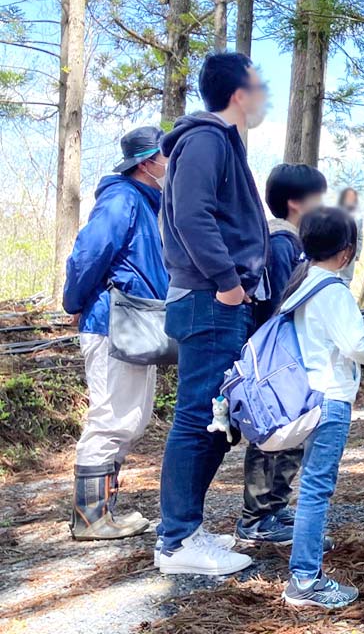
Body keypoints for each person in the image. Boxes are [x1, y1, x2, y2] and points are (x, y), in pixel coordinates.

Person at [156, 52, 270, 576]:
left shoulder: (219, 142)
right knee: (197, 418)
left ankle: (188, 529)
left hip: (217, 297)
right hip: (208, 297)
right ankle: (176, 543)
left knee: (215, 421)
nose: (265, 94)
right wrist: (227, 283)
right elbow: (190, 213)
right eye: (259, 84)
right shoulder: (205, 139)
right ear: (238, 92)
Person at [62, 126, 169, 541]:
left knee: (130, 416)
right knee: (111, 415)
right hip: (112, 323)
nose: (170, 164)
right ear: (146, 163)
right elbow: (87, 254)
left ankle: (102, 512)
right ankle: (90, 519)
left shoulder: (142, 202)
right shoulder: (122, 199)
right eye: (165, 156)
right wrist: (75, 303)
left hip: (132, 323)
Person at [280, 207, 364, 609]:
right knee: (316, 491)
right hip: (330, 398)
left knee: (309, 488)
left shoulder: (301, 282)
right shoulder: (334, 290)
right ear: (347, 252)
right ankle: (304, 580)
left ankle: (303, 574)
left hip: (303, 396)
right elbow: (357, 346)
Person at [237, 163, 327, 545]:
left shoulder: (292, 242)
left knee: (293, 434)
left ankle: (275, 507)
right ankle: (255, 518)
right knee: (275, 434)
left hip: (290, 357)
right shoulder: (281, 243)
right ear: (294, 202)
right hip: (277, 360)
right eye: (317, 197)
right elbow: (275, 305)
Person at [334, 188, 362, 284]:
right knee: (332, 273)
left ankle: (343, 294)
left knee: (346, 278)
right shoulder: (335, 214)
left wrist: (357, 253)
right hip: (335, 249)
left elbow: (359, 237)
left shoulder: (358, 217)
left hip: (350, 250)